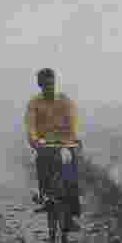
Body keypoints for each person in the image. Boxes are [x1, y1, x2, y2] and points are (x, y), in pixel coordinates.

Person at [25, 68, 82, 225]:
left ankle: (71, 212)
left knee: (70, 171)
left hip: (65, 143)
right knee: (42, 163)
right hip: (44, 144)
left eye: (51, 83)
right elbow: (30, 126)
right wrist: (35, 140)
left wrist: (74, 138)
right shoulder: (34, 104)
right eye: (45, 84)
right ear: (40, 85)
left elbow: (73, 121)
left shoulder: (64, 101)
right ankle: (44, 196)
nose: (49, 87)